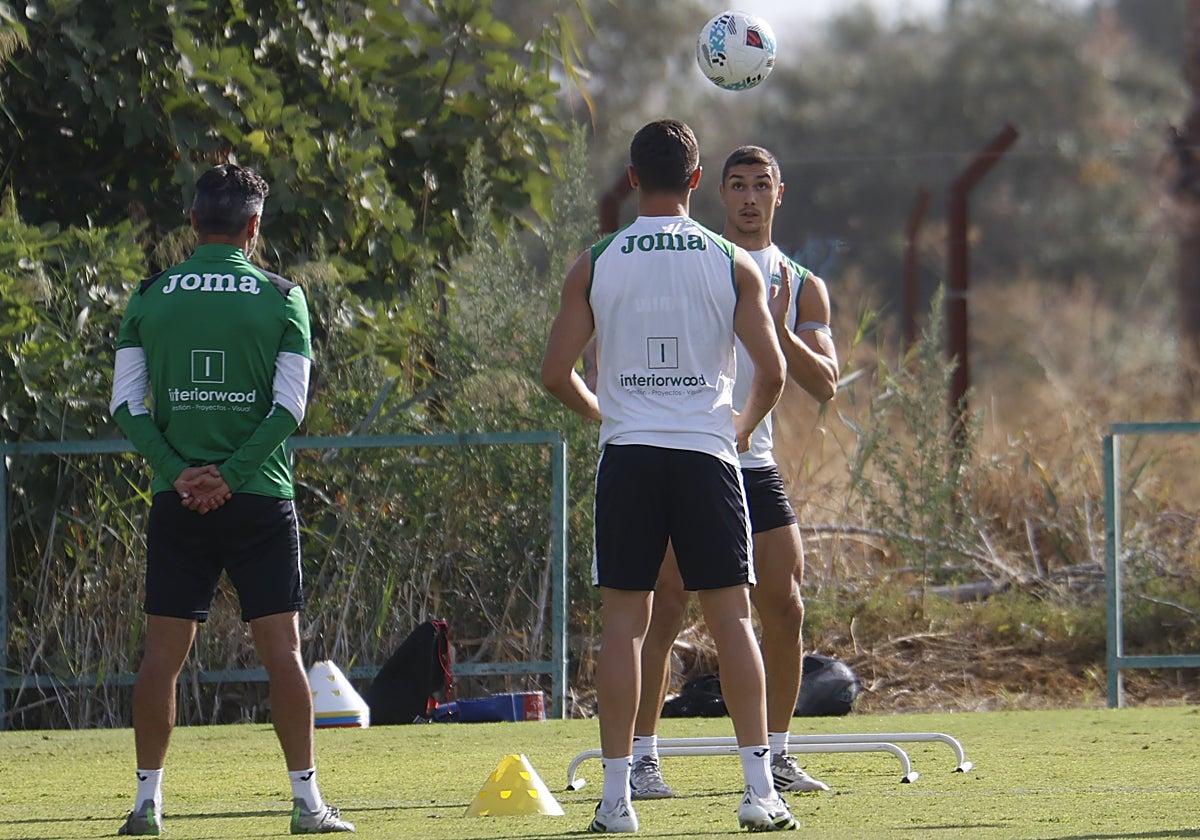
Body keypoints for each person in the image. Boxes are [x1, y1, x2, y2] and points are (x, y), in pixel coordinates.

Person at [542, 120, 797, 833]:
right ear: (695, 181)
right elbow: (773, 373)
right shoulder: (730, 260)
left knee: (624, 625)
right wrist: (737, 429)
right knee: (733, 619)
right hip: (707, 456)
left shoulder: (595, 260)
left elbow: (553, 374)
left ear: (631, 179)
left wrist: (608, 414)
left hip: (630, 456)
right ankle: (757, 793)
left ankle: (618, 801)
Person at [109, 164, 354, 836]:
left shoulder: (149, 295)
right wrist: (232, 474)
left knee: (162, 654)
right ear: (253, 228)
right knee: (284, 653)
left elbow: (126, 405)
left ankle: (145, 806)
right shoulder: (283, 297)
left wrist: (180, 471)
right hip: (258, 499)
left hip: (176, 499)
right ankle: (307, 804)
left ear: (191, 224)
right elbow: (290, 408)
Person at [629, 145, 840, 802]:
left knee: (786, 604)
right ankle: (640, 758)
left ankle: (776, 756)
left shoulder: (803, 283)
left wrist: (782, 329)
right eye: (739, 186)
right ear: (719, 193)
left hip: (754, 463)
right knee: (665, 605)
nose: (750, 198)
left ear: (782, 193)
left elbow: (826, 383)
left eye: (762, 186)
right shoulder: (705, 262)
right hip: (690, 455)